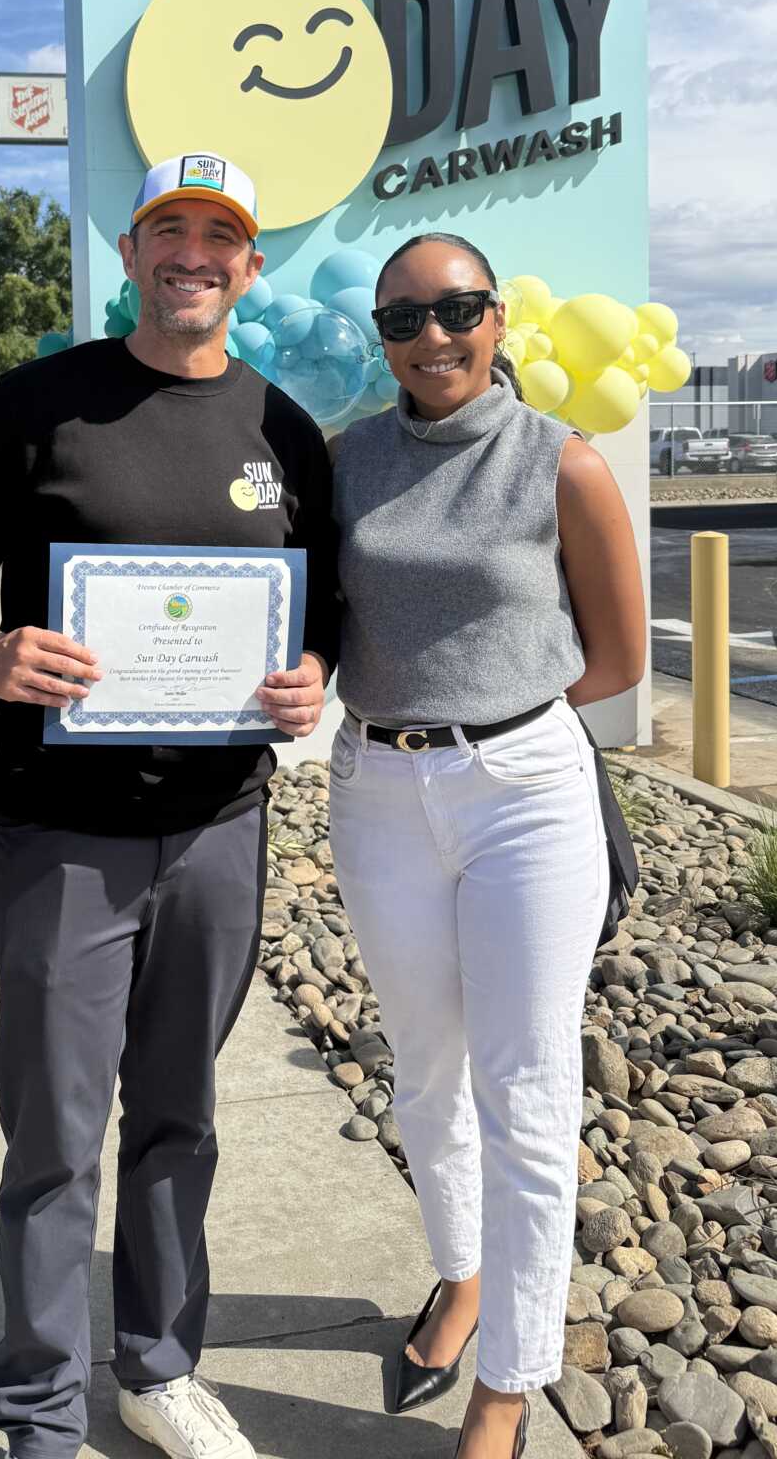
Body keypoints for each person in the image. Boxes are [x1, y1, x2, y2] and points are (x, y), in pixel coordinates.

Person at [0, 152, 339, 1459]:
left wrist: (312, 671)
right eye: (169, 229)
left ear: (250, 265)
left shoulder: (283, 430)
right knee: (54, 1131)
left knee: (178, 1116)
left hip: (220, 827)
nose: (193, 253)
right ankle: (39, 1411)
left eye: (220, 234)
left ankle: (157, 1368)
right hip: (61, 835)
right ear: (133, 252)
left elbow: (327, 601)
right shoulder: (43, 402)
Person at [328, 233, 644, 1459]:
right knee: (422, 1067)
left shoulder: (562, 463)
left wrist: (494, 718)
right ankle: (458, 1277)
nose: (432, 337)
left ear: (497, 318)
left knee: (524, 1089)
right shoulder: (348, 461)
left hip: (522, 793)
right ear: (380, 337)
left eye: (456, 310)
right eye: (402, 319)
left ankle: (506, 1386)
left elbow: (613, 659)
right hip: (376, 787)